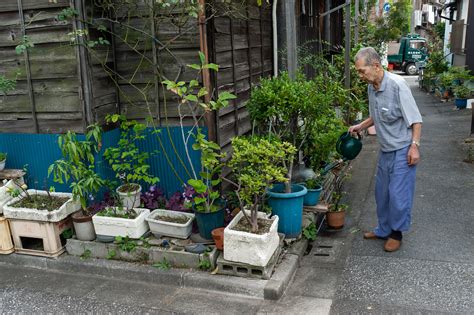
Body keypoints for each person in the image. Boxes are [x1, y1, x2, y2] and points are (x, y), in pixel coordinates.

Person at [349, 47, 422, 252]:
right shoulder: (372, 87)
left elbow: (415, 120)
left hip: (402, 149)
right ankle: (383, 229)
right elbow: (377, 115)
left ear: (375, 66)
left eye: (362, 70)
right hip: (386, 150)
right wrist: (360, 126)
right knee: (382, 193)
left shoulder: (398, 85)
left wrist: (414, 147)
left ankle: (396, 233)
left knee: (398, 194)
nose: (360, 75)